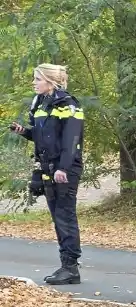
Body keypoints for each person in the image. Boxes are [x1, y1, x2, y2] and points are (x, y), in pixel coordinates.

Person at [7, 63, 86, 285]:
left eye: (37, 79)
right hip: (47, 168)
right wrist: (24, 132)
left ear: (51, 81)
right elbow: (43, 138)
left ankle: (71, 268)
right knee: (57, 216)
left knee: (65, 215)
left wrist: (63, 168)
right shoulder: (40, 104)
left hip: (64, 169)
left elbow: (72, 139)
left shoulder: (67, 104)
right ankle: (66, 265)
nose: (34, 83)